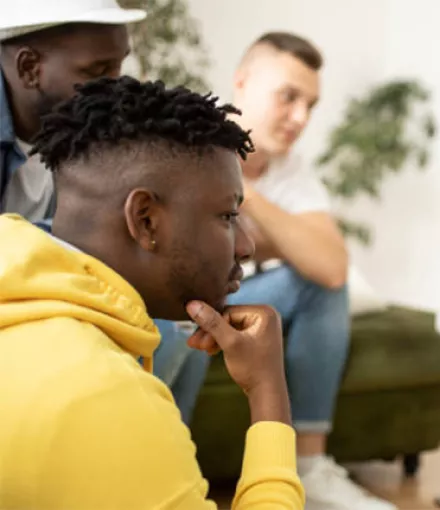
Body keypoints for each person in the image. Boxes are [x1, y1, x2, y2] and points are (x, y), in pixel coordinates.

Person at [0, 76, 305, 509]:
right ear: (145, 220)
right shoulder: (104, 401)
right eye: (226, 216)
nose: (246, 246)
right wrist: (267, 389)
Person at [158, 32, 398, 510]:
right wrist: (275, 237)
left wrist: (244, 186)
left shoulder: (291, 170)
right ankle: (163, 464)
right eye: (288, 97)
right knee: (182, 307)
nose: (301, 118)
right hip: (176, 295)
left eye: (310, 104)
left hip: (233, 292)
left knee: (317, 285)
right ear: (242, 83)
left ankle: (309, 469)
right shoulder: (181, 137)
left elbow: (331, 267)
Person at [0, 0, 146, 221]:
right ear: (29, 68)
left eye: (119, 66)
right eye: (98, 71)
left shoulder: (87, 133)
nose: (117, 89)